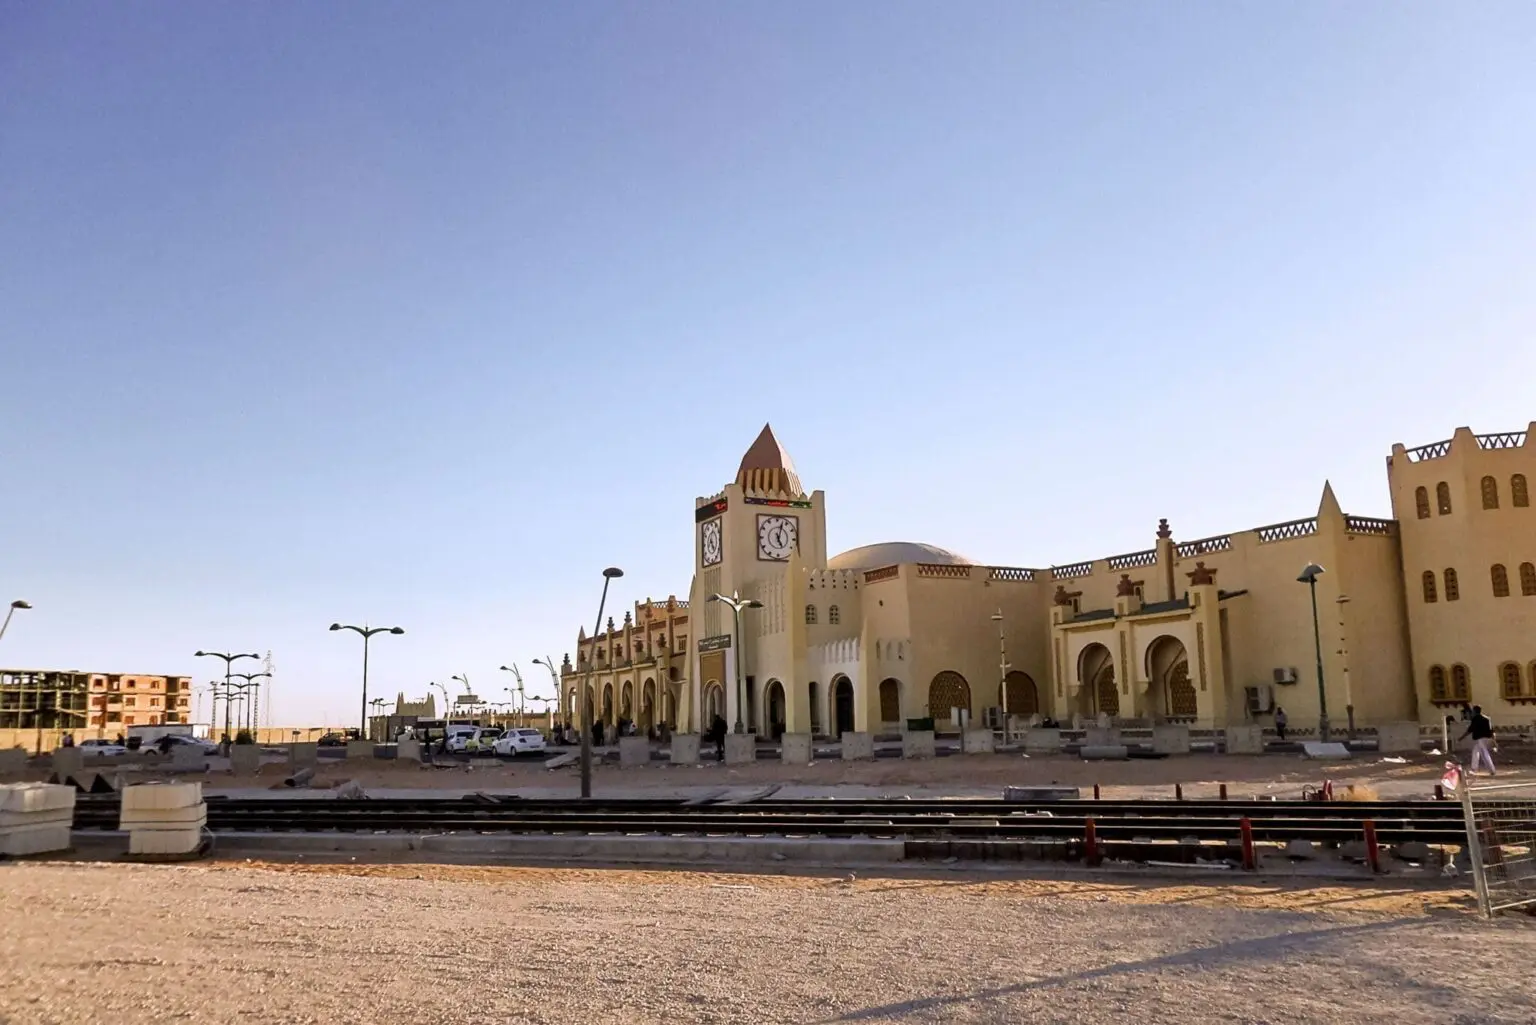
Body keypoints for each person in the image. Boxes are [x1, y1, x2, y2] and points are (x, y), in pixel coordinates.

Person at [1460, 705, 1496, 776]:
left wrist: (1461, 737)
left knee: (1485, 754)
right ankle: (1474, 768)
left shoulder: (1475, 719)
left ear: (1475, 711)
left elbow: (1470, 730)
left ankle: (1491, 770)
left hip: (1481, 739)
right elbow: (1491, 730)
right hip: (1487, 738)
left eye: (1473, 711)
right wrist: (1494, 740)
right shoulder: (1487, 719)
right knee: (1475, 751)